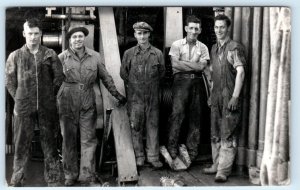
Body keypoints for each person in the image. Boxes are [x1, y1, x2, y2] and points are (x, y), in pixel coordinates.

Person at [57, 25, 126, 186]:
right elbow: (53, 82)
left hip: (88, 101)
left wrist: (116, 94)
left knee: (89, 139)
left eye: (80, 36)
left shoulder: (95, 56)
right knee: (68, 140)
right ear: (69, 40)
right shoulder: (61, 58)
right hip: (67, 102)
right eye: (74, 37)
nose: (78, 39)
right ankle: (70, 175)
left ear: (84, 38)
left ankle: (86, 175)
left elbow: (106, 77)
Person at [5, 18, 64, 187]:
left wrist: (49, 96)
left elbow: (59, 77)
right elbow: (9, 81)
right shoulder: (15, 56)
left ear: (41, 34)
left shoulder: (49, 54)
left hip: (47, 107)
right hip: (23, 107)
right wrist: (19, 99)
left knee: (50, 145)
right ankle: (16, 180)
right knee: (21, 145)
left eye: (36, 33)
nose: (33, 37)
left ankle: (53, 181)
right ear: (24, 34)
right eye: (30, 34)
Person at [203, 14, 246, 182]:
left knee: (227, 133)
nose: (219, 30)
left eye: (222, 27)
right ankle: (216, 164)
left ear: (228, 28)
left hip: (229, 95)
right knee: (215, 131)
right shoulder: (214, 48)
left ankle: (223, 170)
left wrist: (235, 97)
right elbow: (213, 75)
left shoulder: (234, 47)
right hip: (216, 96)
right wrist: (211, 95)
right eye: (216, 27)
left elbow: (241, 72)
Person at [120, 22, 165, 168]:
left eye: (145, 33)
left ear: (149, 34)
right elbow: (123, 73)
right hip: (135, 97)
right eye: (139, 33)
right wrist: (135, 85)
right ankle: (139, 156)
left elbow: (162, 73)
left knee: (153, 126)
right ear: (135, 35)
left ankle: (153, 156)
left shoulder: (157, 53)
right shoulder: (129, 54)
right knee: (136, 126)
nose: (142, 36)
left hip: (152, 97)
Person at [167, 15, 210, 165]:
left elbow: (202, 67)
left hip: (197, 83)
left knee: (195, 116)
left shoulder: (203, 47)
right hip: (180, 82)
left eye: (196, 29)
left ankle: (193, 151)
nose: (193, 31)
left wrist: (184, 64)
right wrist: (194, 66)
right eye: (191, 28)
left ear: (200, 30)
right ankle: (172, 148)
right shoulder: (177, 44)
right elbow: (175, 65)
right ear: (186, 29)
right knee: (177, 114)